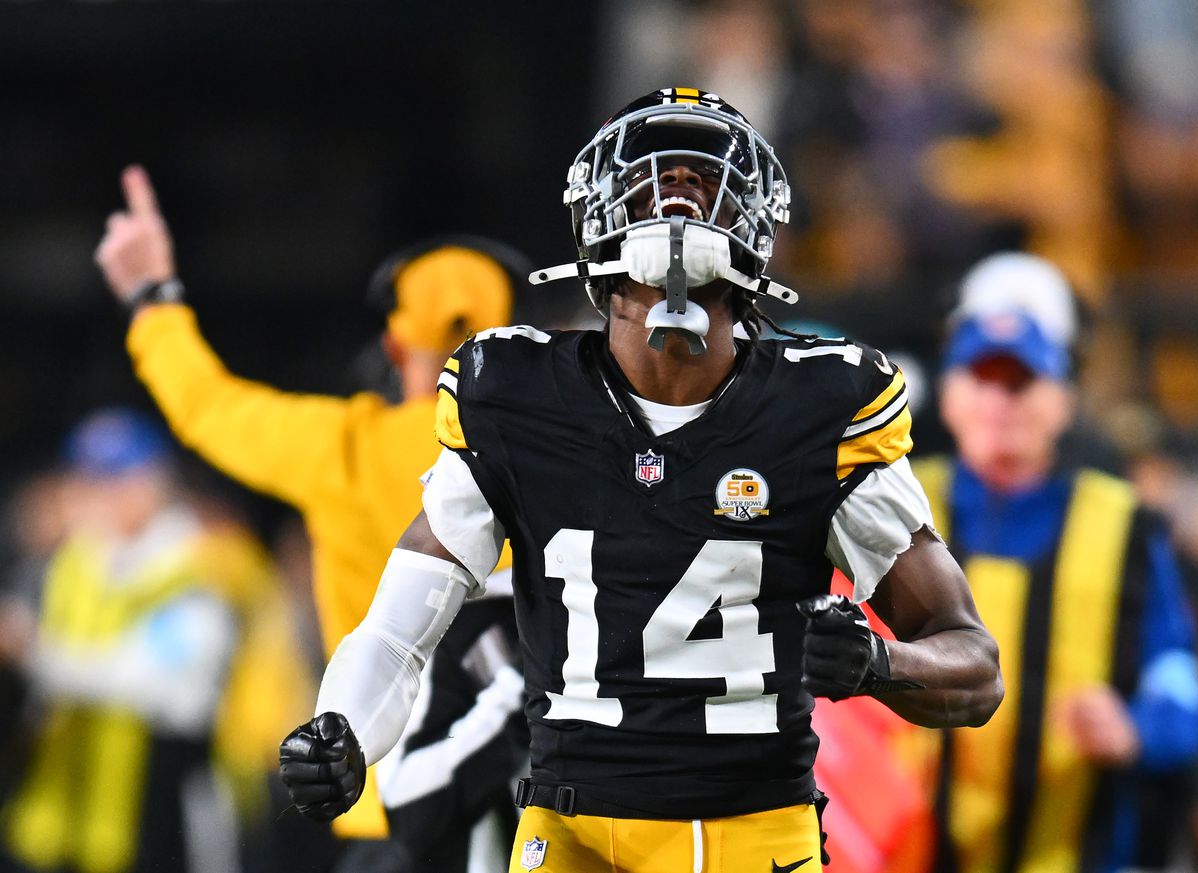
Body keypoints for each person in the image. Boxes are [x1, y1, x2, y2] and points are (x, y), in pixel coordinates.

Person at [278, 87, 1003, 873]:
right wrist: (340, 729)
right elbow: (396, 631)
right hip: (570, 830)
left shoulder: (818, 408)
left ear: (754, 224)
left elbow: (974, 664)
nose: (679, 194)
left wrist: (879, 664)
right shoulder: (513, 395)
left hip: (750, 831)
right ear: (598, 218)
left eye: (702, 177)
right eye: (654, 180)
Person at [93, 168, 528, 873]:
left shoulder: (343, 446)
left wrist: (152, 296)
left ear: (392, 348)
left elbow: (204, 404)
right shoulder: (561, 446)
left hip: (387, 793)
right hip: (534, 808)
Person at [886, 254, 1198, 873]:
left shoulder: (1124, 526)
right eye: (981, 376)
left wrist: (1138, 725)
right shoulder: (885, 510)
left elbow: (1182, 683)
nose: (999, 401)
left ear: (1063, 401)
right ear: (948, 395)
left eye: (1021, 380)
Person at [0, 410, 257, 873]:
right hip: (72, 823)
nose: (94, 495)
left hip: (162, 813)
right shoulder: (75, 561)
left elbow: (151, 681)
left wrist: (32, 650)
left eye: (112, 478)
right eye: (86, 477)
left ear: (153, 480)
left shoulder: (200, 565)